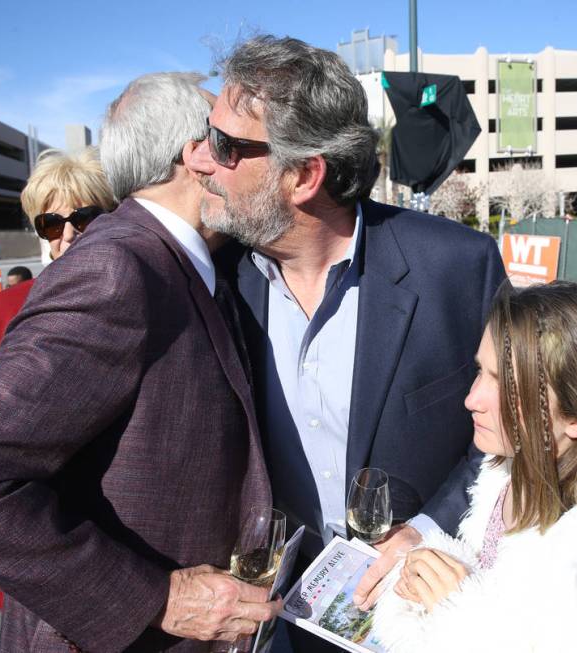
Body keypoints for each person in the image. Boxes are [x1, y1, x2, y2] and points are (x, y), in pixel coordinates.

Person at [0, 72, 278, 652]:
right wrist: (158, 598)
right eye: (235, 145)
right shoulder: (116, 271)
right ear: (199, 155)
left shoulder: (187, 260)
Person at [187, 34, 506, 631]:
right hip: (290, 610)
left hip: (426, 605)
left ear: (305, 175)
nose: (201, 159)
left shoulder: (457, 267)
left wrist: (428, 526)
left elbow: (514, 429)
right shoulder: (218, 277)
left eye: (227, 146)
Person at [373, 281, 577, 652]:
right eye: (480, 371)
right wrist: (433, 582)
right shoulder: (505, 475)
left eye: (506, 385)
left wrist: (461, 614)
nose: (471, 399)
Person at [0, 147, 116, 380]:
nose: (68, 234)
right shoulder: (4, 308)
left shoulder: (142, 294)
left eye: (84, 218)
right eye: (52, 223)